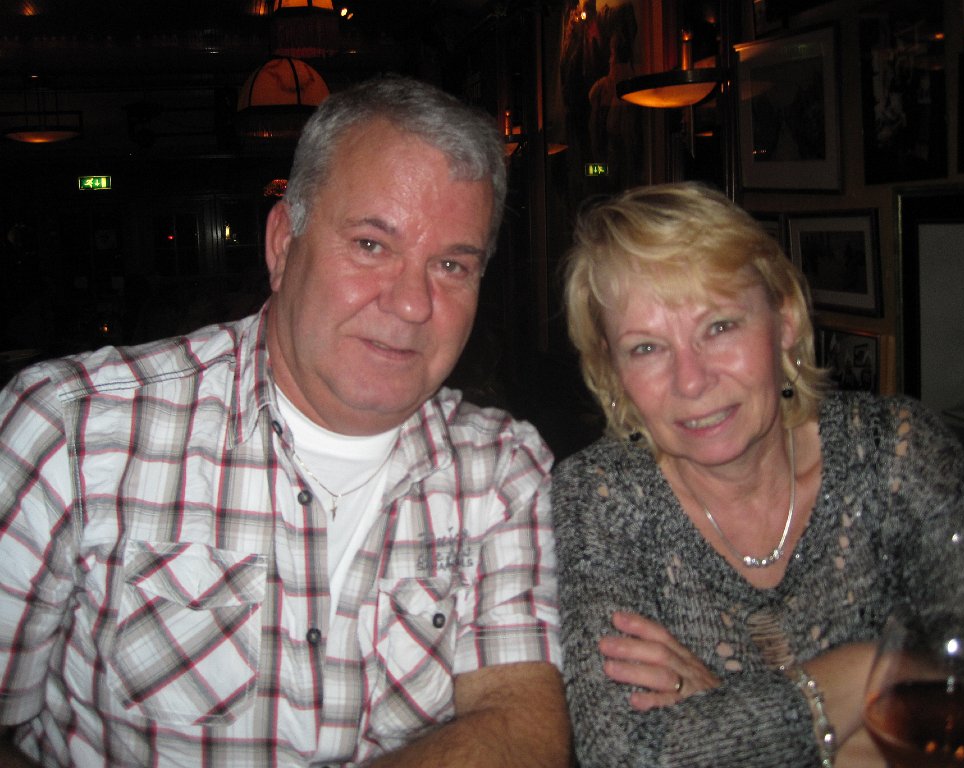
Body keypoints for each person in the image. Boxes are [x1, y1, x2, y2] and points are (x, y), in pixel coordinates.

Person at [0, 76, 570, 768]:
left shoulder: (503, 470)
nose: (413, 304)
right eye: (371, 245)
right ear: (282, 244)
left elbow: (522, 727)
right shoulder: (71, 430)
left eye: (451, 264)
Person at [552, 182, 964, 768]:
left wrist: (729, 717)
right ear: (612, 372)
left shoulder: (897, 454)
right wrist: (868, 672)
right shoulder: (599, 497)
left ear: (786, 321)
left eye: (719, 326)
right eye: (646, 348)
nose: (691, 381)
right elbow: (626, 755)